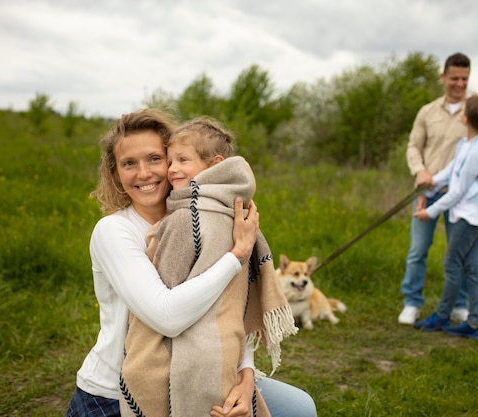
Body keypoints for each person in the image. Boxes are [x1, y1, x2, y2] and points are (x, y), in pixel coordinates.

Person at [65, 109, 316, 417]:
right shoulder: (114, 231)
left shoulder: (201, 218)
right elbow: (166, 316)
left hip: (200, 372)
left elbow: (233, 303)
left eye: (156, 159)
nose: (144, 173)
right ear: (116, 173)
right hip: (116, 391)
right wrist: (236, 255)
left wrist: (245, 377)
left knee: (300, 408)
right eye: (129, 163)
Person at [119, 117, 297, 417]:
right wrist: (238, 253)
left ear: (215, 164)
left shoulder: (186, 218)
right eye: (170, 160)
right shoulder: (234, 211)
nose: (172, 169)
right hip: (227, 347)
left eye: (182, 160)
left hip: (200, 356)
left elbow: (169, 288)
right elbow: (239, 302)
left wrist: (247, 375)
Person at [399, 52, 478, 325]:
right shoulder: (427, 111)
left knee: (459, 256)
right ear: (443, 77)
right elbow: (413, 145)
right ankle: (411, 302)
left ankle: (460, 306)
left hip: (463, 198)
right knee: (418, 250)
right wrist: (420, 170)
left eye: (465, 79)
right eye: (455, 78)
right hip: (428, 188)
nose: (460, 84)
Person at [412, 95, 478, 340]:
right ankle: (474, 324)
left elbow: (458, 190)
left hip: (469, 218)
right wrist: (432, 183)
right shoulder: (467, 143)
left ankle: (442, 315)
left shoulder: (477, 151)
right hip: (469, 214)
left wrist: (430, 211)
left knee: (452, 265)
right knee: (471, 267)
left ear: (465, 118)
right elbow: (451, 171)